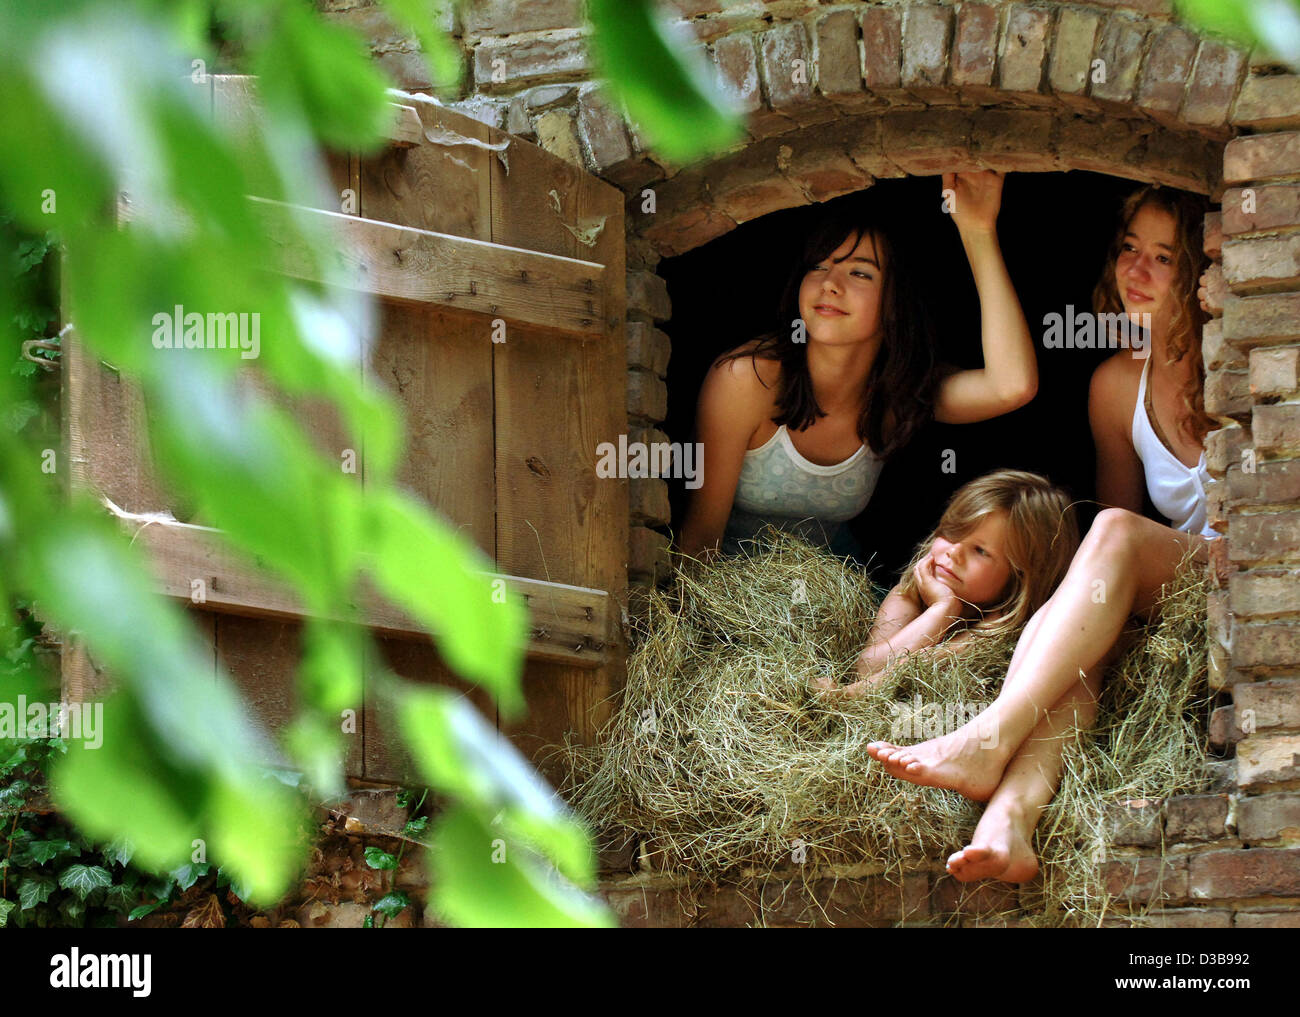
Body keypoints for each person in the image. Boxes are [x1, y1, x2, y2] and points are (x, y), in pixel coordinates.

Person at [865, 184, 1214, 884]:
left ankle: (989, 733)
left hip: (1249, 579)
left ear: (1203, 272)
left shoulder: (1245, 356)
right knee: (1080, 623)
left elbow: (1121, 532)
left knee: (1111, 537)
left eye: (1164, 257)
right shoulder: (1117, 386)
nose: (1136, 270)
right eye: (1128, 250)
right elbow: (1108, 554)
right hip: (1177, 581)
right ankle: (1009, 819)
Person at [677, 171, 1038, 561]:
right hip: (732, 598)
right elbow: (699, 539)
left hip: (836, 598)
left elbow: (1011, 386)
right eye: (819, 266)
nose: (830, 283)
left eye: (860, 272)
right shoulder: (747, 378)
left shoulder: (900, 392)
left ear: (895, 303)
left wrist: (978, 229)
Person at [814, 470, 1079, 697]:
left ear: (1021, 577)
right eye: (952, 534)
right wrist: (942, 610)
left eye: (980, 551)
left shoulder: (998, 629)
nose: (954, 552)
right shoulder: (911, 592)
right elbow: (866, 668)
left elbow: (910, 670)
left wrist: (845, 697)